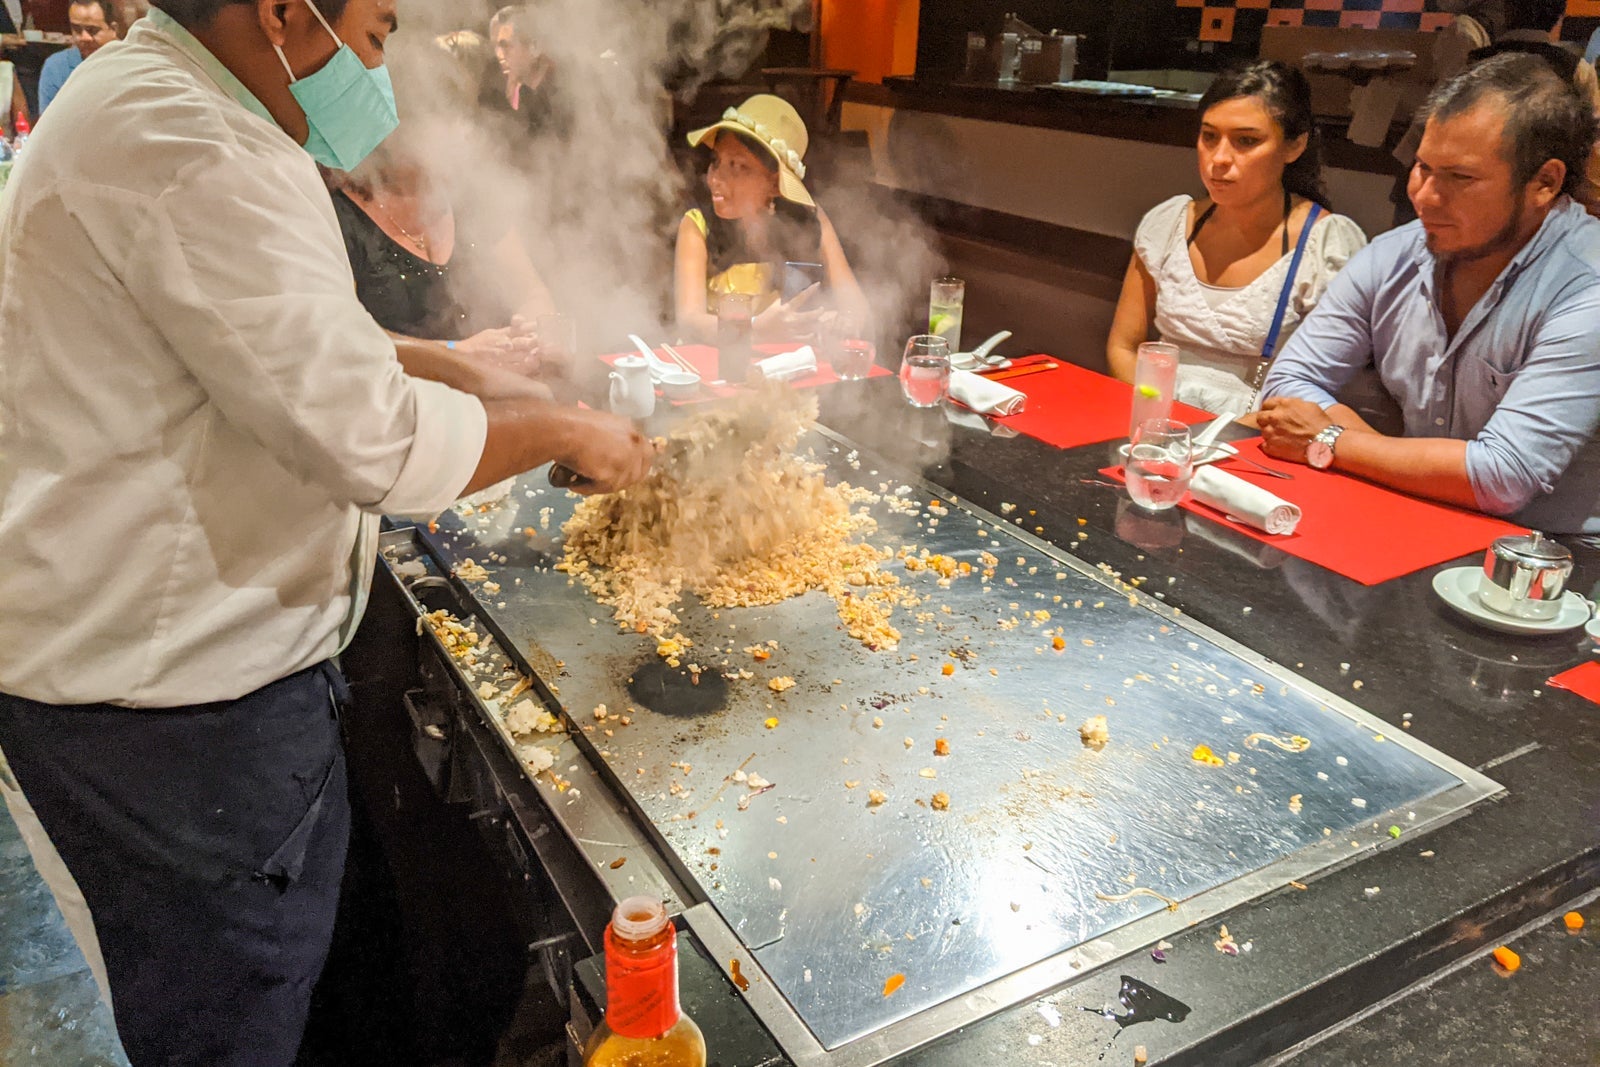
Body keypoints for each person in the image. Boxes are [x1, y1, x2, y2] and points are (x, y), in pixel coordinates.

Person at [0, 3, 654, 1066]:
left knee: (286, 996)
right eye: (374, 32)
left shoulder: (152, 101)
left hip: (149, 683)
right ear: (282, 13)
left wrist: (461, 366)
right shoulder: (196, 143)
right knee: (232, 1023)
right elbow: (376, 444)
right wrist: (564, 426)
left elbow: (283, 334)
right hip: (174, 709)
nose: (379, 68)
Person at [1259, 54, 1600, 534]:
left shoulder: (1587, 286)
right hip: (1410, 513)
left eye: (1460, 178)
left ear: (1544, 182)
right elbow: (1287, 382)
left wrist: (1331, 439)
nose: (1425, 196)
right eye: (1422, 167)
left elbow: (1504, 477)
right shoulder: (1395, 254)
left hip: (1552, 559)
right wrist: (1408, 465)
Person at [1106, 61, 1368, 414]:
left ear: (1295, 146)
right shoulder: (1169, 224)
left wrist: (1220, 435)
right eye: (1209, 136)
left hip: (1260, 432)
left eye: (1246, 141)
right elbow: (1124, 347)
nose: (1219, 158)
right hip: (1158, 416)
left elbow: (1325, 387)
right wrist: (1162, 415)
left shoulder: (1326, 244)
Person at [674, 93, 868, 344]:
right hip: (718, 370)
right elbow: (690, 321)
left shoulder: (808, 218)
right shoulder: (697, 224)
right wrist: (753, 330)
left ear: (775, 184)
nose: (715, 179)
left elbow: (857, 306)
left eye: (737, 166)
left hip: (787, 373)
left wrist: (839, 323)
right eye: (716, 161)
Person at [37, 0, 120, 116]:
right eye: (77, 30)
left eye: (92, 30)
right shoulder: (56, 67)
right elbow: (47, 125)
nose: (84, 37)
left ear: (113, 29)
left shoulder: (131, 63)